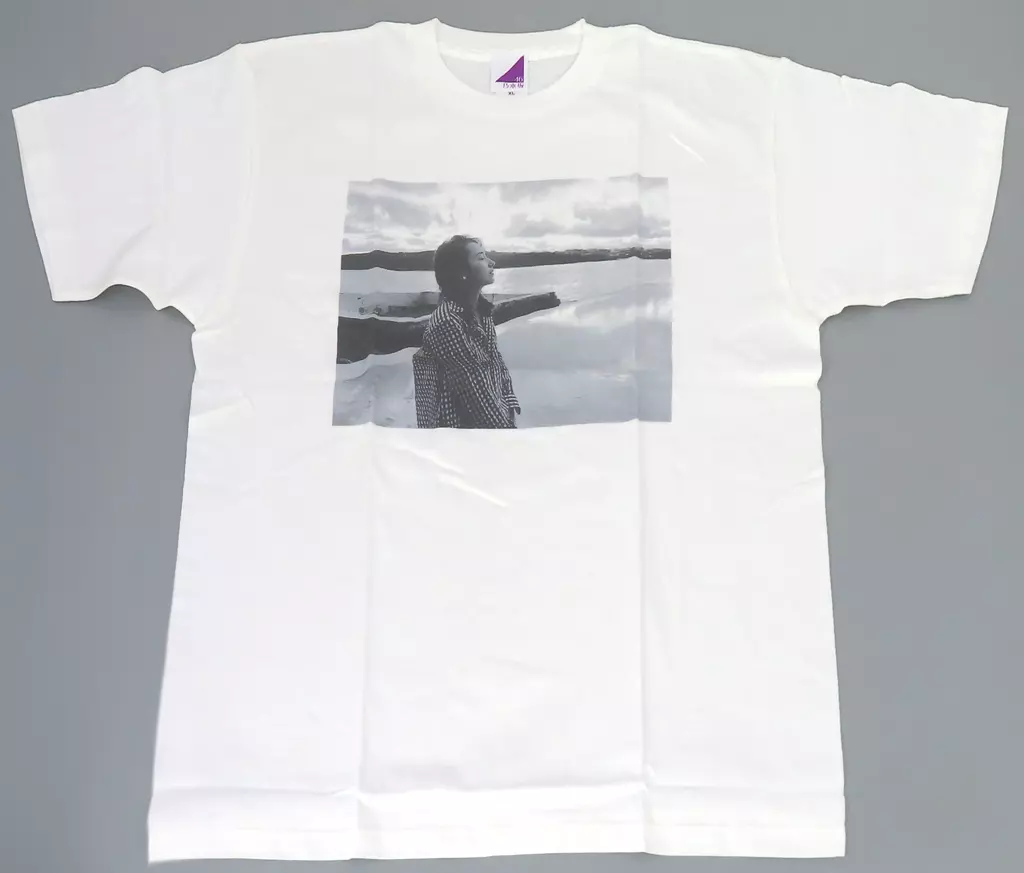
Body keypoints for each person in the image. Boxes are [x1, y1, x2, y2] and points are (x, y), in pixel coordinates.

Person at [413, 235, 521, 429]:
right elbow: (477, 396)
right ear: (462, 272)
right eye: (481, 258)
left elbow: (498, 365)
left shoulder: (482, 310)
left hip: (493, 422)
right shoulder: (447, 323)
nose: (491, 262)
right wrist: (507, 433)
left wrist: (510, 408)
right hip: (457, 432)